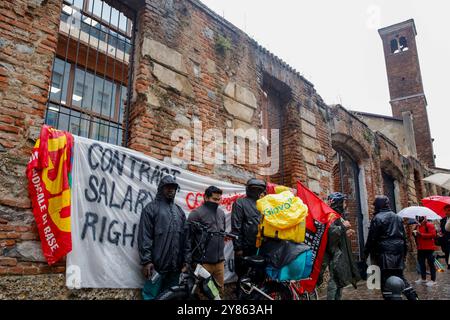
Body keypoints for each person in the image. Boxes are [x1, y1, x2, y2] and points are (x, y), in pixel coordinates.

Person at [137, 175, 190, 300]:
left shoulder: (179, 212)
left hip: (176, 269)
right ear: (161, 188)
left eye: (173, 188)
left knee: (172, 297)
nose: (171, 190)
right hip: (156, 268)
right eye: (168, 187)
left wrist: (187, 261)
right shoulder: (151, 208)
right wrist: (146, 261)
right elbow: (145, 236)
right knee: (150, 296)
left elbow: (186, 239)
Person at [364, 195, 418, 300]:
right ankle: (413, 297)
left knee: (385, 278)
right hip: (398, 251)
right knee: (399, 276)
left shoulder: (377, 218)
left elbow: (372, 238)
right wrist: (404, 253)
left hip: (384, 253)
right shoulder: (397, 217)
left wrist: (365, 253)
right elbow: (404, 237)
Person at [319, 192, 361, 300]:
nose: (345, 204)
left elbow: (336, 234)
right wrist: (343, 227)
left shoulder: (337, 215)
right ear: (338, 203)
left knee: (339, 278)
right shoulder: (331, 215)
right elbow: (331, 233)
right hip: (334, 253)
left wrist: (345, 233)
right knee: (335, 279)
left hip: (339, 252)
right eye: (343, 202)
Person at [187, 186, 226, 296]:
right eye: (214, 199)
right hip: (203, 265)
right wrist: (189, 261)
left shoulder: (221, 214)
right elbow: (188, 239)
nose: (217, 202)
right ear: (205, 198)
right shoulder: (196, 214)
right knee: (204, 294)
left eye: (219, 200)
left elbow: (222, 236)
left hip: (219, 264)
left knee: (218, 294)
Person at [231, 178, 266, 297]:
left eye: (258, 189)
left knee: (259, 277)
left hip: (260, 247)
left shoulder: (263, 204)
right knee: (243, 277)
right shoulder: (240, 203)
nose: (256, 191)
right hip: (245, 247)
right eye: (254, 189)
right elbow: (236, 227)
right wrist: (238, 248)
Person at [413, 216, 437, 286]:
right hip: (420, 248)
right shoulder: (417, 226)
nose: (419, 218)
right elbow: (417, 236)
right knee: (421, 264)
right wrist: (414, 234)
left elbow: (433, 234)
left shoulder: (429, 225)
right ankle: (423, 279)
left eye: (420, 217)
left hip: (429, 248)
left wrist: (421, 234)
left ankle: (433, 280)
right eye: (418, 217)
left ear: (424, 218)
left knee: (431, 264)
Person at [439, 205, 450, 270]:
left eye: (449, 210)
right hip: (445, 241)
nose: (447, 212)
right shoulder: (443, 220)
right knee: (446, 253)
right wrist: (440, 233)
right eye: (446, 210)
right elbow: (442, 230)